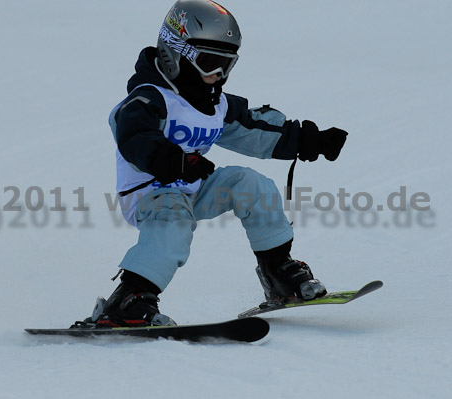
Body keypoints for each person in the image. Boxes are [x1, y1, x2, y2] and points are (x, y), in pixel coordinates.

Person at [75, 0, 347, 328]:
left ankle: (278, 272)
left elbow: (253, 129)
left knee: (251, 185)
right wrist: (173, 160)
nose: (217, 75)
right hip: (150, 194)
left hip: (194, 187)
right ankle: (128, 299)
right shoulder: (148, 100)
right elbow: (135, 138)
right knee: (173, 220)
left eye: (225, 65)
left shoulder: (213, 104)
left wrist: (304, 140)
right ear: (173, 53)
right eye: (208, 63)